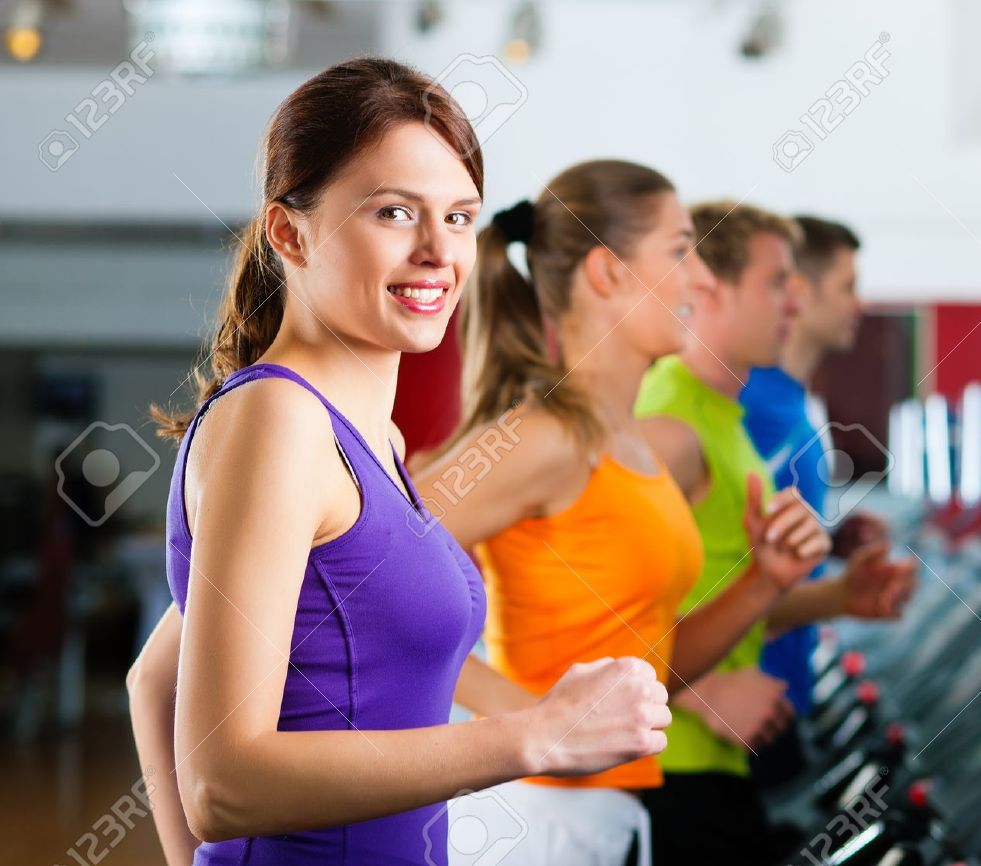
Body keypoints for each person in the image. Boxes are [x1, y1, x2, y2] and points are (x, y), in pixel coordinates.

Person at [127, 57, 670, 866]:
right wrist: (532, 738)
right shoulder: (276, 421)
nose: (437, 252)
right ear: (289, 230)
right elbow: (220, 783)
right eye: (393, 212)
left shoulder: (371, 441)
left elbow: (156, 680)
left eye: (458, 218)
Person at [405, 159, 831, 866]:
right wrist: (533, 720)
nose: (700, 278)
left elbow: (649, 667)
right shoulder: (547, 437)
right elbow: (356, 576)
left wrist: (766, 581)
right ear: (606, 273)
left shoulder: (628, 444)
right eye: (681, 250)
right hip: (536, 820)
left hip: (609, 816)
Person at [633, 202, 914, 865]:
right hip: (671, 762)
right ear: (708, 286)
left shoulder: (722, 418)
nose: (793, 301)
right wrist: (699, 694)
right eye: (775, 282)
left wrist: (841, 595)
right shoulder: (668, 420)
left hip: (714, 763)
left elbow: (734, 592)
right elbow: (583, 602)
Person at [740, 215, 917, 721]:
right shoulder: (755, 409)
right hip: (745, 704)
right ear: (801, 291)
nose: (859, 304)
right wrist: (842, 596)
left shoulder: (797, 407)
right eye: (848, 287)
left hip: (782, 694)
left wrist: (831, 539)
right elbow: (721, 586)